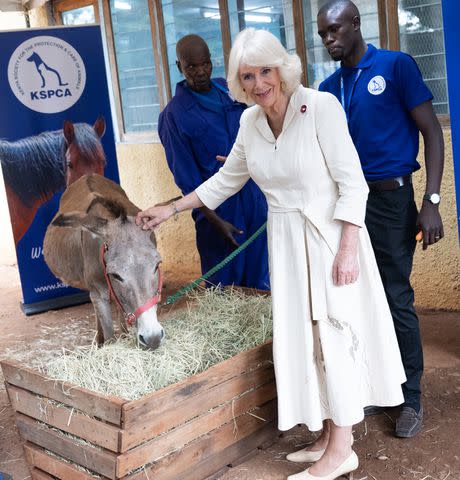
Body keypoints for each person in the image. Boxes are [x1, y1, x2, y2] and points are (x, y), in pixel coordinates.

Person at [137, 28, 406, 480]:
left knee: (335, 337)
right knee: (306, 339)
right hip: (285, 242)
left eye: (266, 71)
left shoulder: (320, 107)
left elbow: (352, 183)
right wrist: (171, 207)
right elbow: (227, 182)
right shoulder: (250, 123)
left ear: (282, 68)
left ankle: (342, 450)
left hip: (328, 238)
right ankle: (326, 435)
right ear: (238, 82)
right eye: (248, 76)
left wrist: (347, 250)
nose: (260, 83)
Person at [317, 0, 444, 438]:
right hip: (347, 207)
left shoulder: (395, 67)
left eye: (335, 30)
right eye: (323, 35)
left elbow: (431, 131)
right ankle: (376, 386)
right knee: (353, 298)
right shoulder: (327, 88)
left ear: (355, 24)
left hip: (392, 201)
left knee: (394, 296)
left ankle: (410, 397)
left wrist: (431, 200)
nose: (329, 39)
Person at [158, 34, 269, 290]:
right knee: (224, 291)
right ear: (179, 68)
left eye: (205, 64)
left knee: (263, 284)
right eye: (191, 67)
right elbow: (187, 182)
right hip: (218, 215)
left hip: (255, 202)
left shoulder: (230, 91)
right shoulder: (174, 116)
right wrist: (216, 221)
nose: (200, 72)